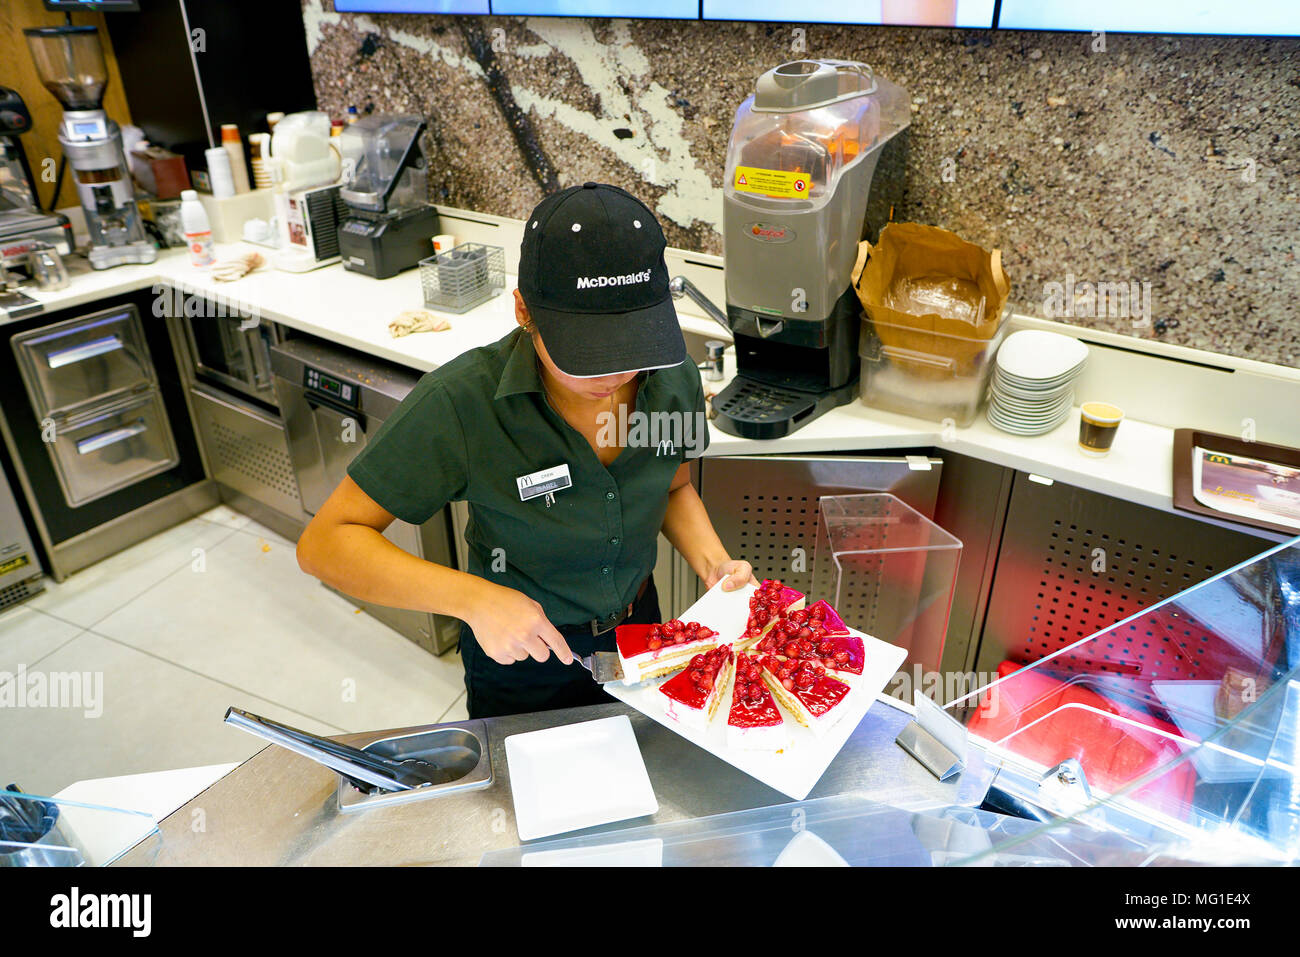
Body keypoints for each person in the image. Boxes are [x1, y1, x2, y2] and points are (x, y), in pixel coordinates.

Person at [296, 182, 754, 718]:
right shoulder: (462, 402)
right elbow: (325, 543)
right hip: (520, 653)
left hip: (641, 635)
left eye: (632, 347)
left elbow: (672, 485)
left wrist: (715, 562)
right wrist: (473, 600)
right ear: (523, 311)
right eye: (586, 354)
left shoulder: (672, 378)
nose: (615, 375)